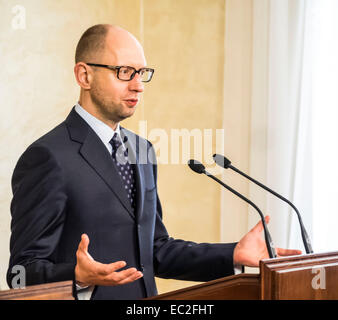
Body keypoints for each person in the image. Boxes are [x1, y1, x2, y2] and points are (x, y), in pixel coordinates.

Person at [7, 24, 301, 300]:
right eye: (124, 72)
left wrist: (232, 253)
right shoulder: (48, 157)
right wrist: (77, 276)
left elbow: (154, 251)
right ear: (84, 75)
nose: (138, 86)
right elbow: (20, 273)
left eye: (142, 72)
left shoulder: (141, 148)